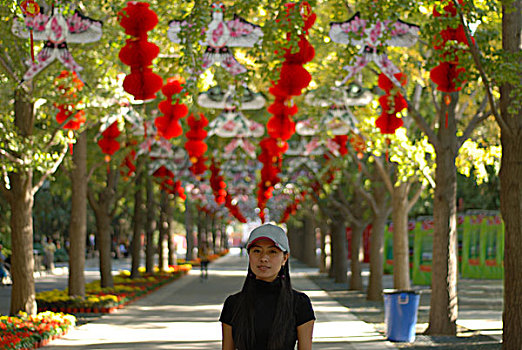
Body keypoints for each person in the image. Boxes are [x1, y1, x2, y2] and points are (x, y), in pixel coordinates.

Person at [220, 223, 315, 350]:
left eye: (272, 252)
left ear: (285, 258)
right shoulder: (233, 304)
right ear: (249, 255)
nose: (264, 258)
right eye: (257, 251)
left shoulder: (299, 303)